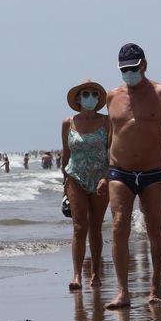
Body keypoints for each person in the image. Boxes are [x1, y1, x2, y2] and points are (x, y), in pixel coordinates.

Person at [105, 43, 161, 309]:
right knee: (119, 226)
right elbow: (110, 136)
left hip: (152, 171)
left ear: (144, 65)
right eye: (123, 70)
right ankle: (122, 291)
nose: (128, 73)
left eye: (132, 68)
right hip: (120, 170)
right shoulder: (112, 96)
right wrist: (102, 171)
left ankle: (155, 284)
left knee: (155, 229)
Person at [62, 79, 111, 290]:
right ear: (78, 98)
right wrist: (64, 183)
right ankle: (76, 276)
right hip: (76, 177)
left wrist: (107, 177)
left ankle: (95, 272)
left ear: (98, 99)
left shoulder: (107, 122)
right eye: (86, 93)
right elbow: (66, 154)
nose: (90, 97)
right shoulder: (68, 123)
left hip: (100, 179)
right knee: (79, 227)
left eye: (94, 93)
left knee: (96, 228)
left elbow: (113, 153)